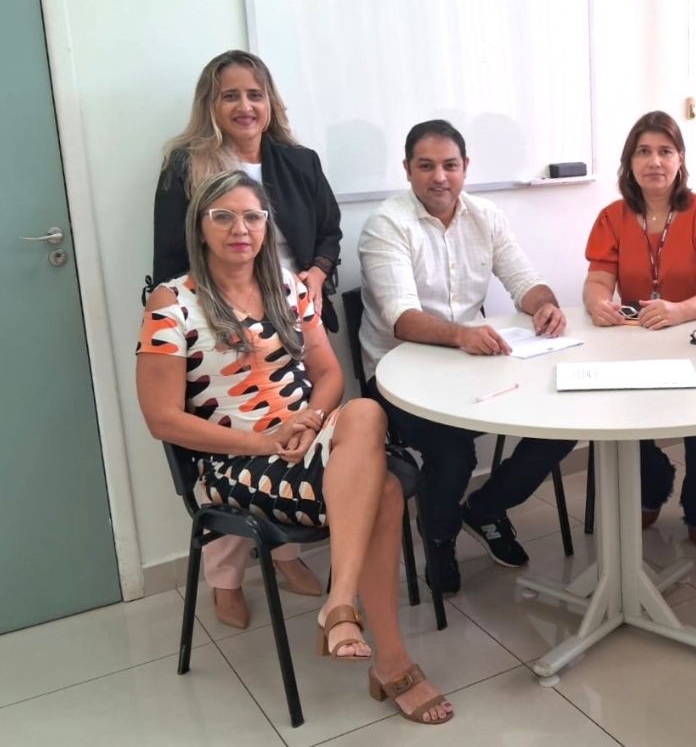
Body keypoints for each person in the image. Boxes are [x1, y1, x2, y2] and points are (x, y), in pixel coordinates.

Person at [137, 170, 451, 724]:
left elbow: (329, 375)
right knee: (382, 487)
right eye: (224, 216)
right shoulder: (171, 303)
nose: (241, 228)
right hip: (234, 462)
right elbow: (161, 419)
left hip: (310, 441)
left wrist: (308, 420)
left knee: (365, 410)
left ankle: (342, 602)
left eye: (253, 217)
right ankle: (386, 655)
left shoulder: (286, 284)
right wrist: (260, 438)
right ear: (200, 226)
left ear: (266, 226)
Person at [151, 50, 344, 628]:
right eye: (230, 95)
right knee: (240, 432)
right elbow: (167, 257)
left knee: (298, 423)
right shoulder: (185, 166)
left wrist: (316, 271)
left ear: (269, 102)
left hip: (293, 314)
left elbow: (329, 229)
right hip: (218, 327)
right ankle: (226, 578)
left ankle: (286, 552)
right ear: (211, 104)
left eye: (254, 94)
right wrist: (207, 313)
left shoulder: (299, 161)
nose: (244, 106)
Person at [357, 119, 576, 594]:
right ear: (408, 170)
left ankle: (485, 508)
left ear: (465, 168)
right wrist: (461, 336)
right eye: (426, 166)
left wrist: (544, 305)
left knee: (563, 420)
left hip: (472, 366)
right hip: (398, 375)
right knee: (452, 450)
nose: (440, 177)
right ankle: (438, 537)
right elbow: (402, 319)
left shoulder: (485, 216)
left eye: (450, 166)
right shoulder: (386, 226)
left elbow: (524, 280)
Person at [582, 111, 696, 550]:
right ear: (629, 162)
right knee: (617, 416)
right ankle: (654, 481)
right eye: (644, 152)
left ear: (680, 159)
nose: (655, 161)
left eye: (665, 151)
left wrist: (678, 311)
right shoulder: (612, 217)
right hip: (636, 343)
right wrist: (597, 304)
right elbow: (598, 281)